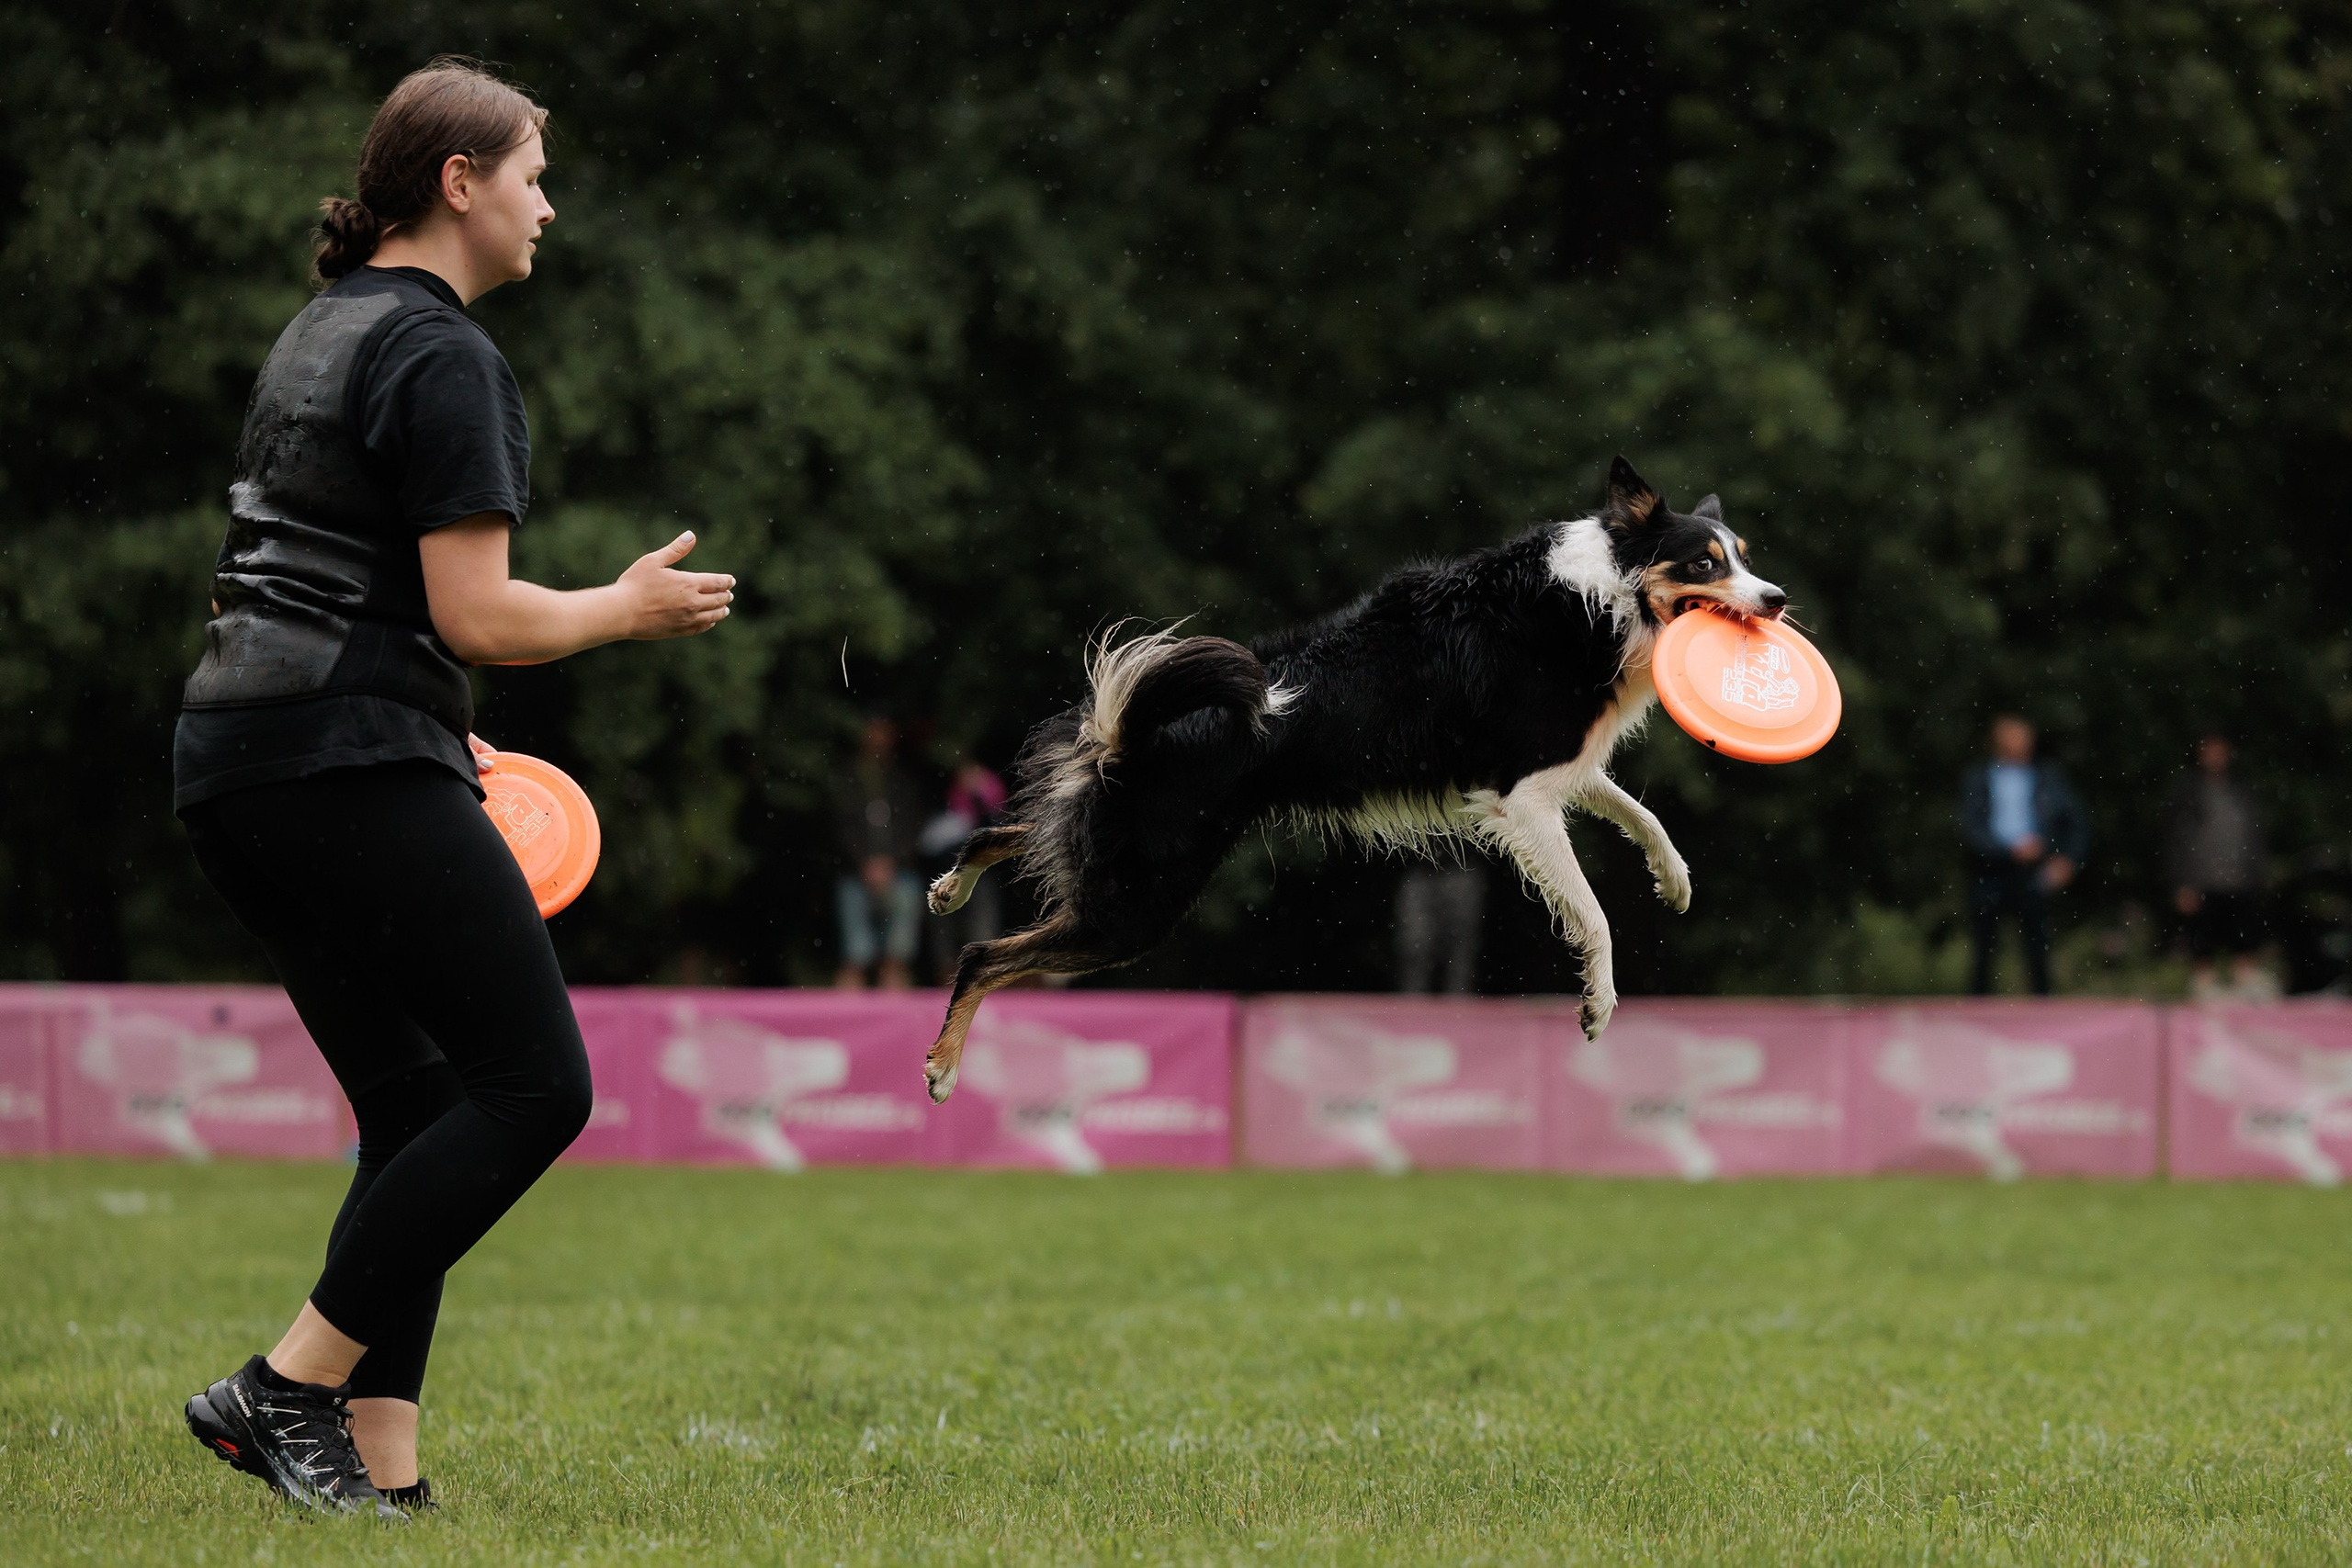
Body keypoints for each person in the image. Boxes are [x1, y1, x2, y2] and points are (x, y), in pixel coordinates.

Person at [174, 60, 733, 1517]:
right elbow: (480, 614)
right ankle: (284, 1385)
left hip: (239, 759)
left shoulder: (324, 327)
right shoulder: (444, 354)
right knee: (538, 1082)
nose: (550, 203)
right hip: (340, 758)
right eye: (534, 171)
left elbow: (319, 575)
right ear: (459, 182)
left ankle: (380, 1466)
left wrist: (434, 721)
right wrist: (621, 608)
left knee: (417, 1097)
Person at [1959, 715, 2087, 996]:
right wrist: (2005, 850)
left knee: (2037, 946)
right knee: (1983, 948)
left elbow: (2074, 822)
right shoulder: (1979, 778)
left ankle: (2042, 1012)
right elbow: (1971, 829)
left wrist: (2067, 859)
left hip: (2035, 870)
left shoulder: (2048, 777)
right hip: (1990, 869)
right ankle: (1978, 1011)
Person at [2165, 732, 2272, 998]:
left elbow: (2255, 836)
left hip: (2240, 881)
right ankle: (2205, 993)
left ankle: (2247, 991)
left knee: (2246, 943)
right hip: (2203, 882)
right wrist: (2182, 882)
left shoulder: (2241, 790)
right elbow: (2175, 839)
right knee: (2202, 947)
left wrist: (2257, 874)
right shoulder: (2188, 791)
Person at [831, 716, 928, 989]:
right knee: (854, 956)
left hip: (898, 872)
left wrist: (892, 862)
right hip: (855, 873)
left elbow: (914, 827)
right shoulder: (847, 777)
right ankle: (846, 1012)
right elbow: (840, 828)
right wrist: (863, 862)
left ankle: (896, 1007)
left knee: (897, 955)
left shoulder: (903, 779)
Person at [920, 757, 1008, 984]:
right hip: (948, 875)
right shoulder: (945, 792)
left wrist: (977, 797)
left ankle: (980, 980)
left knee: (981, 932)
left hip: (981, 877)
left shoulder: (991, 792)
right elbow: (929, 844)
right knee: (944, 935)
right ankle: (945, 980)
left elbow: (995, 830)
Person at [1395, 862, 1485, 994]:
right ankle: (1412, 1004)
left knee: (1461, 948)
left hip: (1462, 869)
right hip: (1420, 872)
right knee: (1415, 945)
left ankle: (1459, 1005)